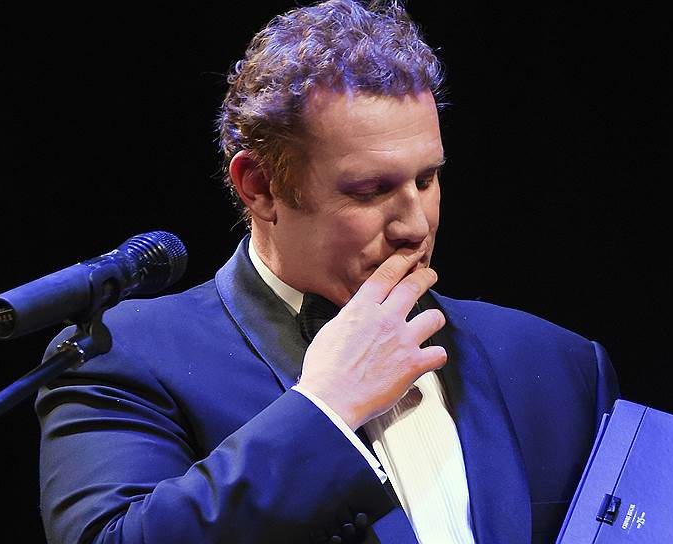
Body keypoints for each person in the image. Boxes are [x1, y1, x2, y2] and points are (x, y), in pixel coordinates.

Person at [35, 1, 619, 543]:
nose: (416, 225)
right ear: (260, 187)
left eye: (426, 179)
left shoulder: (559, 364)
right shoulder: (120, 355)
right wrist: (326, 407)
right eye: (370, 190)